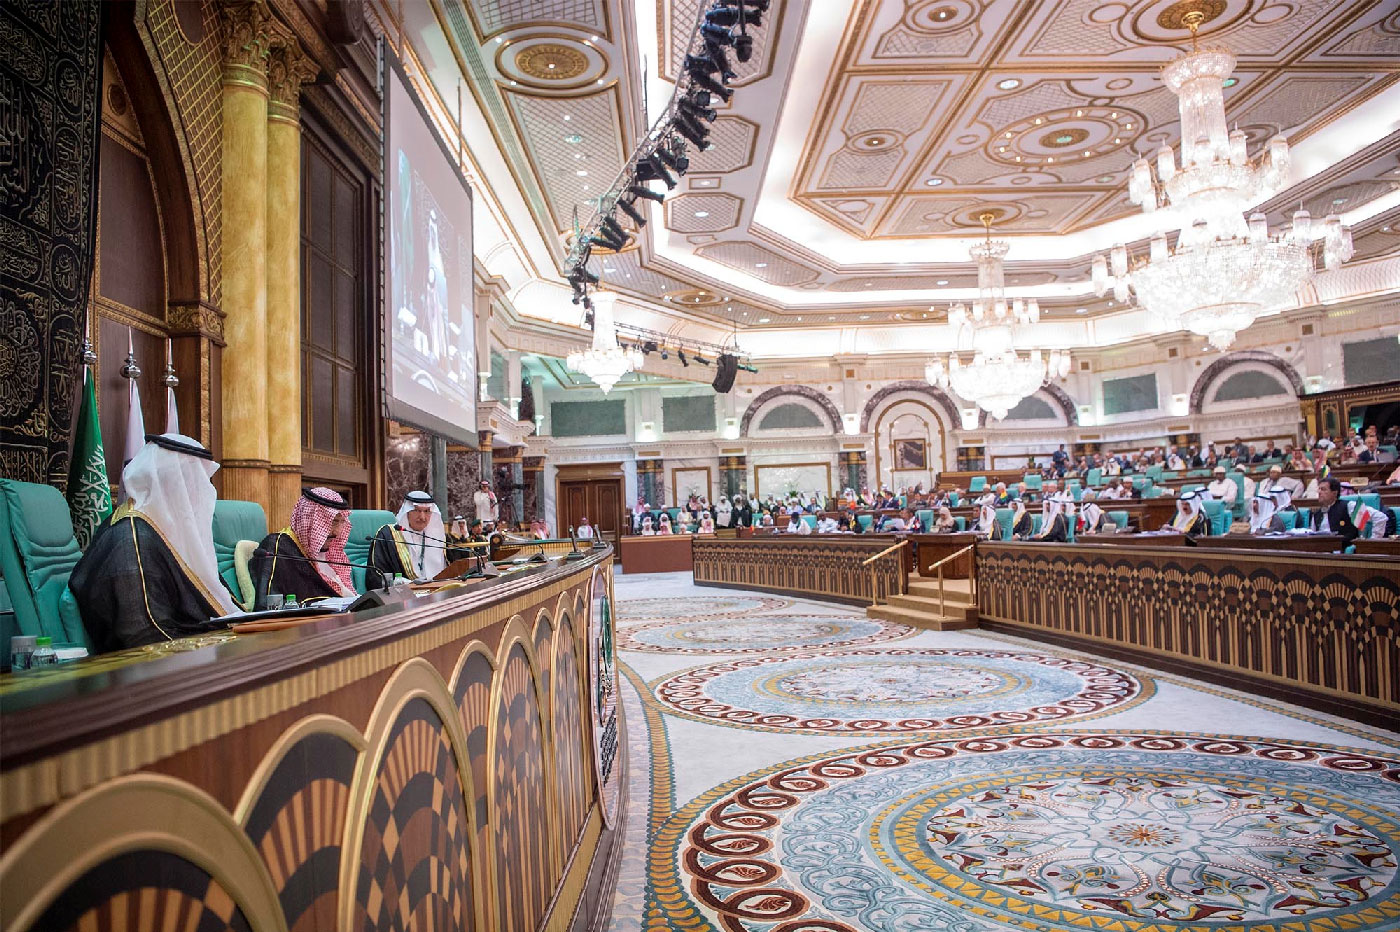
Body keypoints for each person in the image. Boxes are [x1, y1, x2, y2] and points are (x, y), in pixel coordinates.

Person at [69, 434, 239, 653]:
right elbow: (145, 636)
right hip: (151, 671)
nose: (200, 494)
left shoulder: (166, 530)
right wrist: (222, 651)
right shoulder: (130, 541)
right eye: (196, 484)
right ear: (174, 485)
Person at [253, 487, 358, 605]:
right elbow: (268, 604)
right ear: (310, 519)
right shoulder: (278, 548)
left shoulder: (329, 554)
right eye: (332, 522)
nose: (337, 532)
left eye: (341, 522)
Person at [367, 490, 447, 588]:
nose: (422, 517)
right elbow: (376, 577)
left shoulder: (437, 538)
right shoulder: (387, 536)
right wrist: (405, 584)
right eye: (417, 510)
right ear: (407, 512)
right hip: (403, 596)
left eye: (427, 511)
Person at [1309, 477, 1359, 544]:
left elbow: (1376, 516)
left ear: (1334, 493)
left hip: (1343, 549)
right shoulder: (1316, 514)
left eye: (1323, 489)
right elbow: (1312, 536)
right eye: (1319, 489)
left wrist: (1372, 538)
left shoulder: (1348, 506)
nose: (1319, 492)